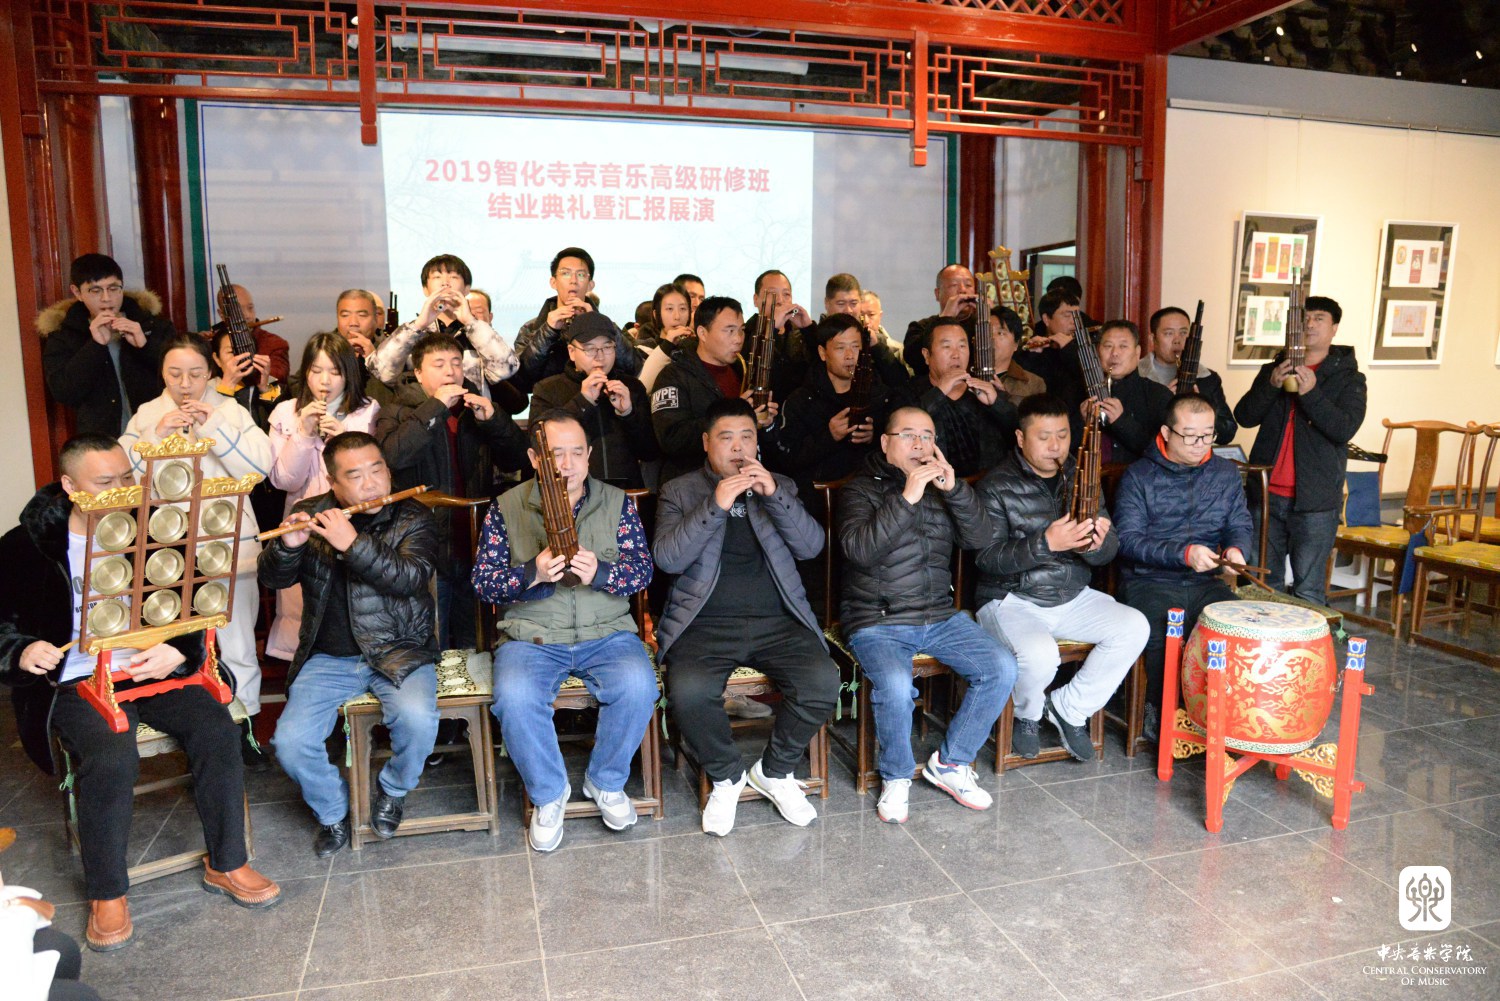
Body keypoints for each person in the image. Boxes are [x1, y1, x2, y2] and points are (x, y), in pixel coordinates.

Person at [0, 434, 279, 952]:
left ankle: (227, 862)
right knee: (111, 755)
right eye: (105, 482)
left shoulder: (157, 526)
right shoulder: (25, 546)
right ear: (69, 486)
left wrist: (180, 648)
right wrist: (20, 649)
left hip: (151, 666)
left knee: (217, 730)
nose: (122, 489)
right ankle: (107, 892)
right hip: (76, 678)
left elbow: (197, 602)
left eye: (127, 477)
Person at [472, 412, 658, 852]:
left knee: (639, 686)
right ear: (536, 458)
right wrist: (531, 574)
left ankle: (605, 782)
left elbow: (642, 571)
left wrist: (603, 572)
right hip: (532, 635)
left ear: (590, 455)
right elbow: (484, 583)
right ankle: (549, 793)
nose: (568, 464)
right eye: (557, 454)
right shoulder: (507, 507)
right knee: (515, 698)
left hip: (607, 632)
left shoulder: (616, 502)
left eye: (577, 452)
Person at [654, 398, 840, 835]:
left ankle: (775, 770)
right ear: (706, 443)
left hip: (778, 620)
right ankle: (727, 776)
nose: (738, 447)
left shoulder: (780, 485)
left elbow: (811, 547)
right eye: (727, 438)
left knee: (822, 681)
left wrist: (774, 495)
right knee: (689, 692)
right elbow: (668, 558)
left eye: (747, 437)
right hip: (704, 624)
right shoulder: (680, 491)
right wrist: (715, 504)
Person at [260, 432, 440, 855]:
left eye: (378, 470)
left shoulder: (413, 517)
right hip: (328, 656)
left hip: (399, 648)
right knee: (291, 742)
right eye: (356, 476)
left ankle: (393, 789)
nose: (371, 484)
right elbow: (272, 579)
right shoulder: (310, 513)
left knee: (417, 721)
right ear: (333, 482)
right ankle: (332, 810)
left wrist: (353, 544)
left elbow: (410, 578)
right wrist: (287, 547)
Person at [838, 407, 1016, 823]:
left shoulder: (941, 488)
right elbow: (860, 551)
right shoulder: (860, 489)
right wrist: (907, 498)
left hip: (939, 615)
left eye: (927, 436)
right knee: (896, 686)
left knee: (1001, 667)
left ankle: (951, 763)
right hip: (877, 620)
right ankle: (896, 775)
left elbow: (981, 539)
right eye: (909, 435)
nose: (920, 445)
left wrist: (955, 491)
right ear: (886, 443)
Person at [119, 333, 273, 767]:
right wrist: (156, 437)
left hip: (228, 545)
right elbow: (120, 478)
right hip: (168, 551)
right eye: (174, 374)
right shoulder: (147, 413)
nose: (185, 384)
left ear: (211, 372)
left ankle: (244, 729)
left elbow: (261, 469)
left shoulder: (231, 410)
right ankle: (198, 732)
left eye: (195, 374)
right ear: (162, 374)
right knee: (177, 643)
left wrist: (215, 428)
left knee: (237, 641)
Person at [974, 395, 1149, 762]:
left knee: (1134, 626)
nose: (1055, 446)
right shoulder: (995, 486)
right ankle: (1027, 715)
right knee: (1040, 655)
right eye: (1044, 437)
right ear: (1021, 438)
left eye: (1063, 435)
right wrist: (1046, 544)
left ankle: (1068, 708)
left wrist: (1096, 546)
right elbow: (987, 558)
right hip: (1011, 598)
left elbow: (1108, 549)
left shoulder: (1081, 477)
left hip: (1071, 594)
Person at [1114, 394, 1255, 741]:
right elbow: (1128, 540)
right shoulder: (1139, 476)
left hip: (1205, 580)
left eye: (1208, 435)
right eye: (1190, 435)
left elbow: (1239, 523)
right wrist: (1183, 553)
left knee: (1238, 629)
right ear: (1166, 432)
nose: (1200, 444)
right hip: (1150, 580)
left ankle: (1226, 716)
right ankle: (1159, 708)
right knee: (1165, 631)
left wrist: (1236, 550)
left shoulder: (1225, 473)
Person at [375, 332, 528, 649]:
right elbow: (392, 458)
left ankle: (474, 682)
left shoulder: (475, 407)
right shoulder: (398, 409)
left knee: (476, 639)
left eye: (457, 363)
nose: (450, 371)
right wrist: (434, 408)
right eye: (439, 364)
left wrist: (494, 421)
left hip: (475, 541)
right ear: (419, 373)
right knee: (433, 636)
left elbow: (518, 459)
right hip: (426, 547)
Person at [1233, 294, 1367, 605]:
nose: (1309, 324)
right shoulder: (1274, 368)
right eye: (1304, 318)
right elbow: (1245, 416)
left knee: (1308, 590)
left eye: (1319, 318)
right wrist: (1270, 385)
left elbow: (1343, 428)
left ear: (1334, 328)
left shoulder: (1349, 378)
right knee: (1262, 585)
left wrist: (1311, 393)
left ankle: (1306, 640)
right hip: (1266, 494)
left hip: (1315, 500)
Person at [265, 333, 380, 661]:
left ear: (349, 374)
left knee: (351, 604)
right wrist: (303, 433)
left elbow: (372, 477)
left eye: (334, 372)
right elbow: (284, 480)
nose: (325, 381)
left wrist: (342, 440)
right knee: (301, 607)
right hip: (303, 523)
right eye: (316, 371)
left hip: (351, 523)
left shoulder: (367, 411)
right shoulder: (286, 412)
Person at [39, 253, 175, 436]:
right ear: (77, 292)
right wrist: (95, 346)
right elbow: (64, 391)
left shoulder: (151, 323)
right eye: (95, 291)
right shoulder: (64, 335)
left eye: (113, 288)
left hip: (159, 432)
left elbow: (181, 375)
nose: (106, 298)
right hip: (102, 439)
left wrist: (145, 345)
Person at [651, 295, 781, 483]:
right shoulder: (673, 376)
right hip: (693, 485)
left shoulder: (744, 370)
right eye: (729, 331)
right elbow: (671, 439)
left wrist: (765, 423)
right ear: (702, 333)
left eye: (741, 330)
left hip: (745, 480)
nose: (738, 339)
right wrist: (730, 416)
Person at [530, 311, 658, 489]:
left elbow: (650, 452)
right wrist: (583, 401)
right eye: (590, 349)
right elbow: (540, 443)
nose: (600, 356)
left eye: (607, 347)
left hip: (624, 493)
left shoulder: (631, 387)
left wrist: (628, 413)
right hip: (570, 492)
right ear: (572, 352)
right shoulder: (547, 389)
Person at [771, 312, 889, 500]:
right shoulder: (801, 399)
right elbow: (785, 459)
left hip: (867, 495)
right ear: (822, 353)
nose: (850, 356)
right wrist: (829, 436)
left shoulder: (878, 393)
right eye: (840, 348)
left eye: (856, 347)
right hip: (816, 497)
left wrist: (874, 437)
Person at [368, 253, 520, 397]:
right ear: (425, 289)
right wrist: (419, 325)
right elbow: (381, 371)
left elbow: (507, 368)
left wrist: (470, 322)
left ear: (467, 289)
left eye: (454, 277)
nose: (445, 282)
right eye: (437, 277)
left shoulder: (477, 332)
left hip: (471, 412)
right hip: (425, 412)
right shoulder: (412, 333)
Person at [890, 318, 1017, 478]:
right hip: (931, 485)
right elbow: (902, 435)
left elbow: (1019, 435)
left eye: (962, 346)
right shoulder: (907, 393)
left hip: (990, 485)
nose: (956, 355)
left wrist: (996, 403)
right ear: (927, 355)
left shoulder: (984, 390)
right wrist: (939, 392)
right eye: (946, 346)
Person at [511, 247, 642, 391]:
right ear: (553, 282)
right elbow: (522, 379)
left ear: (590, 285)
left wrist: (597, 322)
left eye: (580, 275)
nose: (573, 281)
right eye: (566, 273)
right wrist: (548, 331)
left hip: (602, 400)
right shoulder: (531, 328)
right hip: (550, 402)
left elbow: (635, 368)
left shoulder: (609, 326)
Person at [1139, 306, 1237, 444]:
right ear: (1152, 338)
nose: (1177, 340)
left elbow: (1228, 433)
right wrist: (1163, 403)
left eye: (1183, 333)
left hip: (1195, 454)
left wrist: (1200, 406)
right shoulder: (1136, 374)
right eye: (1168, 333)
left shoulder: (1207, 378)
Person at [1087, 320, 1173, 466]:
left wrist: (1121, 421)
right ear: (1097, 351)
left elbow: (1164, 451)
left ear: (1137, 352)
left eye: (1123, 346)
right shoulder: (1078, 391)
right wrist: (1083, 421)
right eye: (1108, 346)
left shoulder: (1158, 394)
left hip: (1141, 478)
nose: (1114, 353)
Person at [823, 274, 907, 390]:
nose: (848, 310)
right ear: (827, 303)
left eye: (854, 303)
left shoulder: (877, 342)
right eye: (841, 304)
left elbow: (900, 383)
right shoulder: (814, 336)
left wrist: (876, 347)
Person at [744, 269, 815, 403]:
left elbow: (822, 365)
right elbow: (753, 371)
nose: (780, 301)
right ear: (756, 299)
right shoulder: (744, 333)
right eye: (772, 294)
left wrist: (808, 329)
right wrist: (772, 328)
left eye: (786, 294)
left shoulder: (800, 332)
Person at [902, 263, 977, 379]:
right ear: (937, 294)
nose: (963, 290)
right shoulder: (920, 327)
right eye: (954, 285)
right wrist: (945, 318)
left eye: (968, 285)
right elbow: (915, 360)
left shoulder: (983, 323)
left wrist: (991, 316)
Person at [210, 283, 291, 388]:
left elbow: (278, 384)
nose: (247, 315)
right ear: (222, 314)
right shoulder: (213, 343)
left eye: (250, 308)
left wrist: (259, 375)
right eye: (238, 310)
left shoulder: (274, 343)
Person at [636, 282, 695, 392]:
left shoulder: (694, 347)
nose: (677, 316)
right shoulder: (643, 349)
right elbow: (641, 389)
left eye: (683, 309)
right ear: (656, 314)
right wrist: (667, 345)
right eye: (669, 309)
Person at [987, 307, 1047, 405]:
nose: (991, 338)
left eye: (1000, 333)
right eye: (985, 332)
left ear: (1016, 344)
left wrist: (1001, 400)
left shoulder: (1033, 384)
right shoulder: (967, 377)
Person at [856, 288, 913, 387]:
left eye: (871, 315)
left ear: (880, 316)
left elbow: (905, 386)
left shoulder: (898, 350)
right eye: (860, 316)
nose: (866, 321)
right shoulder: (848, 350)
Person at [334, 288, 382, 359]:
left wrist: (375, 360)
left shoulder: (391, 350)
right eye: (345, 315)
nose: (353, 323)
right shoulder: (324, 348)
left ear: (376, 319)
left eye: (362, 315)